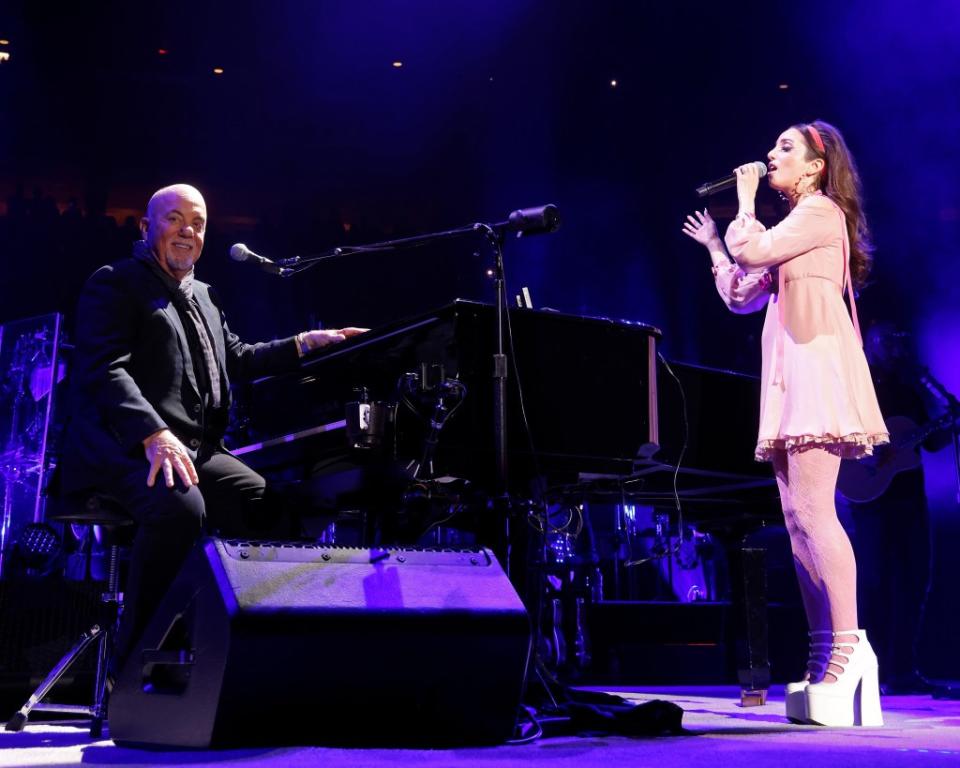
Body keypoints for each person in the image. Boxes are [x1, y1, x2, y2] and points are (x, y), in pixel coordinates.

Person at [57, 183, 365, 668]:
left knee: (271, 509)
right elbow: (104, 369)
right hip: (122, 447)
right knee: (180, 509)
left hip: (192, 449)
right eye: (174, 219)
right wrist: (153, 434)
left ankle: (250, 659)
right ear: (146, 227)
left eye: (197, 223)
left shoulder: (205, 294)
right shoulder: (115, 282)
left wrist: (306, 343)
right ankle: (138, 663)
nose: (187, 231)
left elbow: (237, 358)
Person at [682, 121, 889, 726]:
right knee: (797, 520)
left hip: (817, 365)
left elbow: (756, 249)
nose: (770, 155)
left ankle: (850, 649)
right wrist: (716, 247)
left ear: (816, 166)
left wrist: (743, 208)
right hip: (787, 375)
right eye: (772, 147)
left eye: (785, 148)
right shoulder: (791, 229)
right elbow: (742, 291)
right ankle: (826, 654)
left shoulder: (820, 213)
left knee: (816, 513)